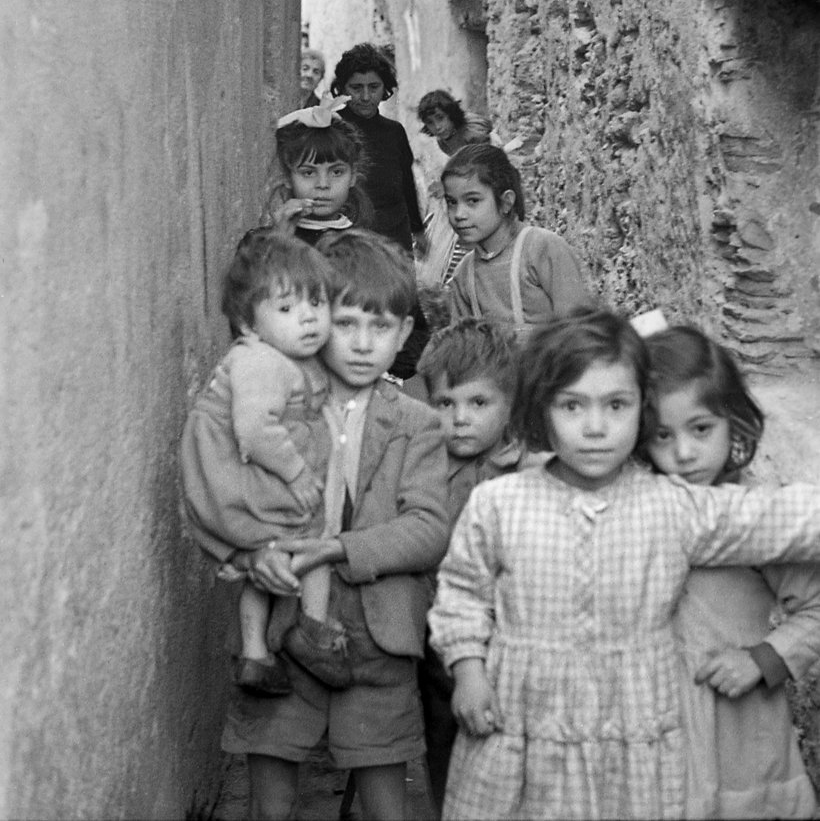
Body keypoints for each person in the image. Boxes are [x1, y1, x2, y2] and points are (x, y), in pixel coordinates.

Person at [428, 308, 820, 821]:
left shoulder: (671, 505)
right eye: (572, 406)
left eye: (616, 405)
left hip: (630, 736)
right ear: (540, 410)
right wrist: (469, 669)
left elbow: (780, 517)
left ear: (640, 412)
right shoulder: (500, 503)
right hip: (524, 728)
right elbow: (462, 592)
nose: (595, 428)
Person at [220, 229, 449, 821]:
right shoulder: (273, 410)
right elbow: (234, 502)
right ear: (317, 320)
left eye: (382, 327)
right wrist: (252, 557)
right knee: (269, 806)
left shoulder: (418, 424)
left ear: (404, 334)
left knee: (386, 807)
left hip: (381, 640)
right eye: (346, 323)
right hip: (283, 626)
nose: (364, 344)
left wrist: (338, 549)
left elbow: (428, 528)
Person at [641, 325, 820, 819]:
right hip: (659, 735)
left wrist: (766, 658)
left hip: (740, 735)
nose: (684, 453)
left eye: (701, 429)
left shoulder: (753, 523)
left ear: (732, 422)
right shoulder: (636, 515)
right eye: (662, 436)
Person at [180, 231, 345, 697]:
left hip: (233, 473)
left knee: (268, 553)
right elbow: (254, 430)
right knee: (312, 537)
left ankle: (255, 654)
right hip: (240, 471)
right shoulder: (262, 362)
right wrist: (297, 473)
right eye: (287, 309)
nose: (309, 318)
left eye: (317, 302)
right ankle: (313, 630)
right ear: (248, 324)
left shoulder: (276, 357)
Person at [414, 319, 531, 817]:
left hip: (512, 640)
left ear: (512, 405)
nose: (460, 419)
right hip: (439, 641)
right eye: (446, 403)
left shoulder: (528, 470)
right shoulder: (423, 466)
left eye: (479, 403)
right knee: (442, 740)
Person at [442, 143, 590, 343]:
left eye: (473, 201)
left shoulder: (541, 249)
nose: (459, 214)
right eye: (452, 202)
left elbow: (579, 332)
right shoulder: (464, 275)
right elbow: (463, 349)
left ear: (506, 202)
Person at [330, 43, 425, 255]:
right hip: (347, 237)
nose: (365, 97)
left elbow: (406, 184)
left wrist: (417, 229)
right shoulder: (332, 130)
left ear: (385, 88)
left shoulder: (394, 132)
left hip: (393, 235)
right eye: (356, 88)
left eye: (373, 87)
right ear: (343, 88)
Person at [416, 90, 494, 291]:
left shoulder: (472, 133)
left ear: (451, 114)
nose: (437, 126)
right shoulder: (442, 141)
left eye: (440, 118)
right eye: (431, 122)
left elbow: (481, 168)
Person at [270, 94, 372, 243]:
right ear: (287, 177)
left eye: (337, 172)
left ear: (353, 176)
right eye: (308, 173)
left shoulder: (366, 247)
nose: (323, 185)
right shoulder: (260, 245)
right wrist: (280, 238)